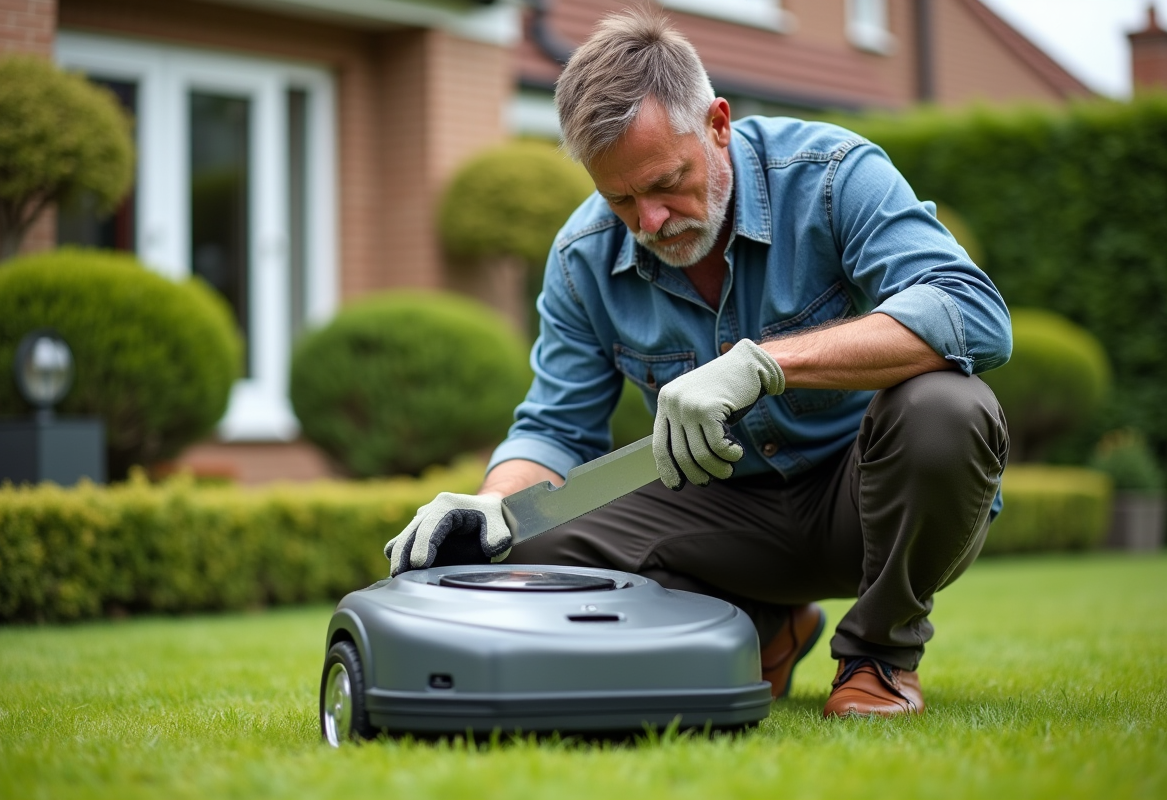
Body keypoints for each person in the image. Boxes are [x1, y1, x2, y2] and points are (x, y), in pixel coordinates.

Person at [385, 8, 1010, 718]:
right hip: (721, 520)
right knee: (524, 537)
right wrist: (495, 502)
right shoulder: (581, 257)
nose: (649, 221)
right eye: (619, 198)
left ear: (718, 124)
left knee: (948, 411)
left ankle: (879, 656)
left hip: (868, 505)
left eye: (666, 182)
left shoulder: (834, 175)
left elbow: (972, 311)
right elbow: (557, 428)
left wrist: (765, 365)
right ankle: (758, 631)